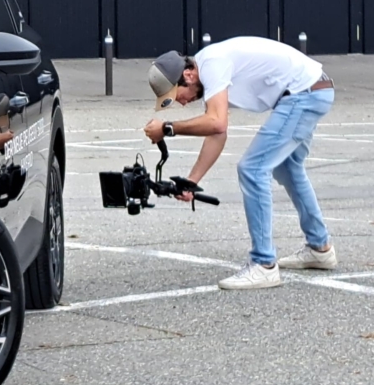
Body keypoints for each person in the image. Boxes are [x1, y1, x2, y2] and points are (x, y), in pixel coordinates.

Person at [144, 38, 336, 289]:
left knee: (253, 169)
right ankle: (320, 247)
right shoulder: (210, 68)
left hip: (304, 94)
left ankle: (264, 265)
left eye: (174, 96)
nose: (179, 103)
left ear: (188, 75)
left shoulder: (212, 64)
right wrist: (192, 181)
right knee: (287, 168)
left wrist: (168, 128)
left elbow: (216, 122)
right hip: (313, 90)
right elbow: (217, 133)